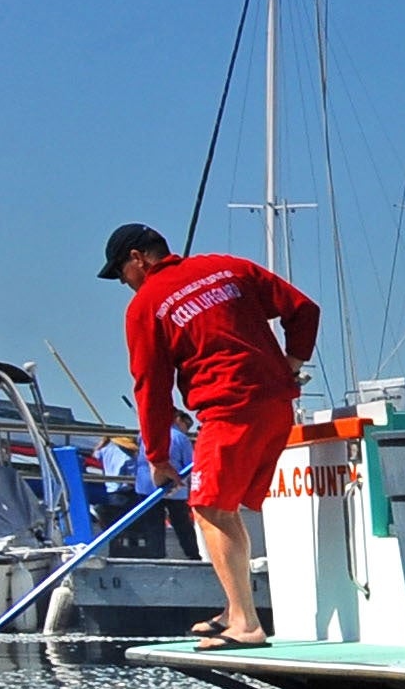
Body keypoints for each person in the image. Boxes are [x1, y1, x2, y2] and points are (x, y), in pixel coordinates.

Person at [106, 222, 318, 650]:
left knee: (207, 507)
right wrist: (291, 365)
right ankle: (232, 610)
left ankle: (246, 624)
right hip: (277, 405)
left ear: (137, 259)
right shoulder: (228, 268)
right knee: (221, 507)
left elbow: (150, 384)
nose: (123, 284)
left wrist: (158, 456)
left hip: (229, 408)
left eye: (120, 274)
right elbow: (305, 309)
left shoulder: (146, 306)